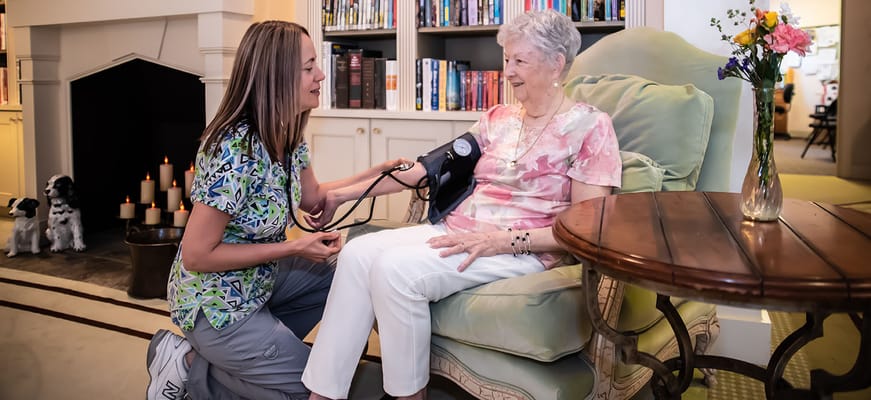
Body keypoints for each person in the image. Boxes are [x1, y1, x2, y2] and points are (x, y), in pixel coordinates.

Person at [301, 9, 622, 400]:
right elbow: (425, 171)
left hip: (522, 248)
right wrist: (338, 195)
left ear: (557, 63)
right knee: (357, 253)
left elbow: (586, 228)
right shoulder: (498, 118)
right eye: (506, 59)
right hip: (456, 230)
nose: (508, 71)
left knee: (394, 270)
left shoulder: (590, 126)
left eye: (519, 60)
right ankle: (324, 394)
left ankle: (407, 395)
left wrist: (499, 242)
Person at [144, 20, 407, 400]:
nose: (320, 75)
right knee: (316, 390)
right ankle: (187, 364)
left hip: (260, 282)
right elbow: (198, 255)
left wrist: (374, 174)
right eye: (309, 67)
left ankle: (232, 358)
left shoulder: (286, 132)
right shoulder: (233, 150)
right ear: (276, 76)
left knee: (350, 271)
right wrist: (295, 247)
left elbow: (312, 196)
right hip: (218, 307)